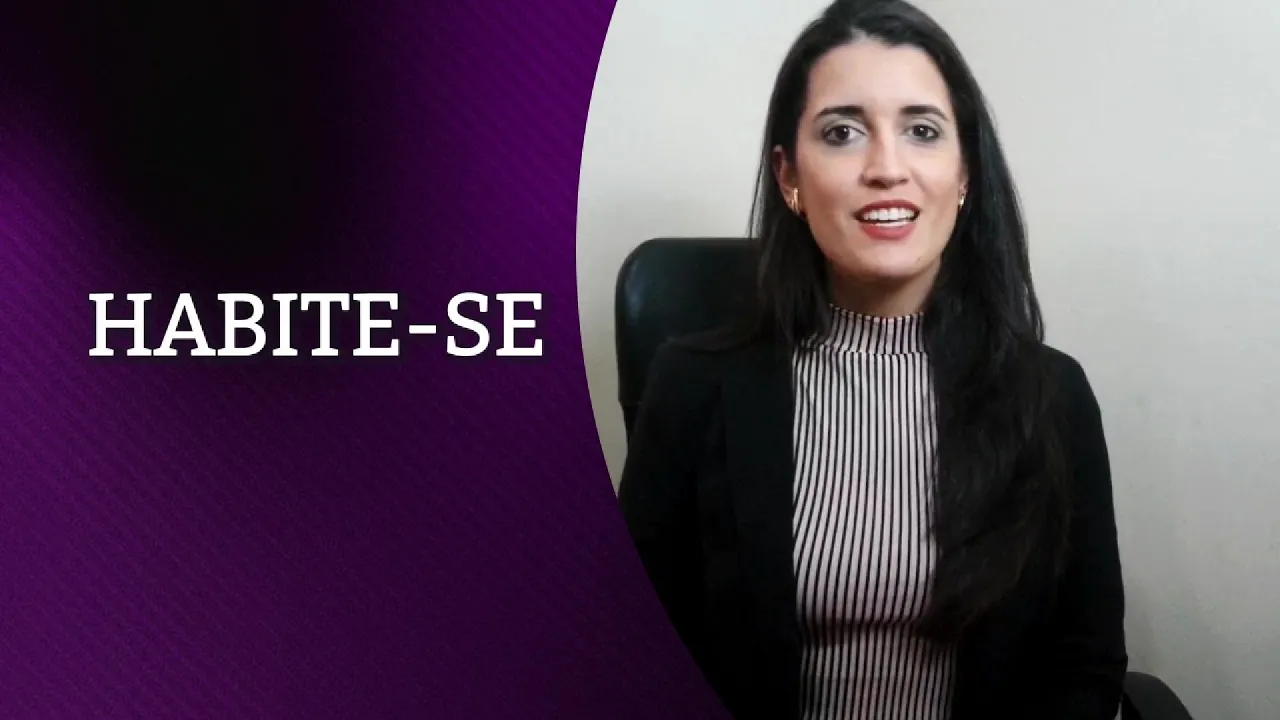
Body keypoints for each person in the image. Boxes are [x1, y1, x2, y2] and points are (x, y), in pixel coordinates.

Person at [616, 1, 1127, 718]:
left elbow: (1085, 664)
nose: (887, 168)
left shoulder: (1052, 395)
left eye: (922, 130)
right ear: (790, 177)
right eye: (842, 133)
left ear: (964, 172)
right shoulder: (692, 385)